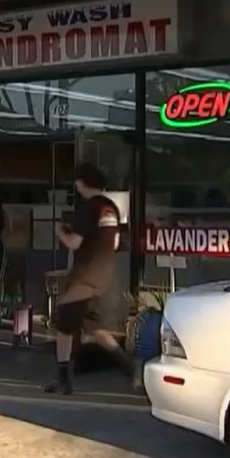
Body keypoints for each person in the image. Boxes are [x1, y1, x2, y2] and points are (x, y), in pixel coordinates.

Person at [43, 162, 131, 395]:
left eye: (77, 181)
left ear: (83, 183)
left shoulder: (88, 208)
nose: (76, 185)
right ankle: (130, 370)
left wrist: (59, 231)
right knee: (95, 327)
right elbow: (114, 243)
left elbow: (74, 243)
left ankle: (63, 378)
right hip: (105, 273)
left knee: (65, 321)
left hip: (85, 274)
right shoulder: (111, 207)